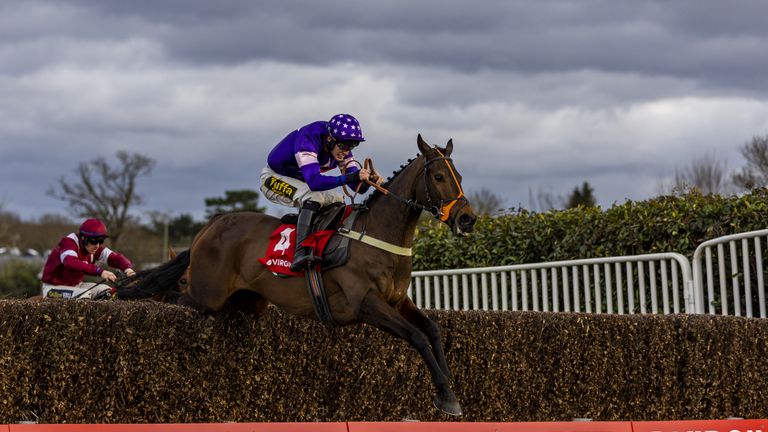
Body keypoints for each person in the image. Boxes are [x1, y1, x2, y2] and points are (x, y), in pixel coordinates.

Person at [260, 113, 384, 272]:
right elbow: (314, 182)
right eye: (345, 146)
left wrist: (368, 181)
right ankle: (300, 253)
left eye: (352, 146)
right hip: (273, 178)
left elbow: (355, 187)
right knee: (314, 196)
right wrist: (351, 176)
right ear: (330, 139)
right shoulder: (309, 139)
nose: (347, 152)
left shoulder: (340, 145)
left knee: (338, 199)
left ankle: (315, 235)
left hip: (300, 181)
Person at [41, 218, 136, 299]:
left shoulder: (93, 249)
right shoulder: (68, 243)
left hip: (76, 286)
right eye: (94, 241)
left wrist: (128, 268)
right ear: (83, 238)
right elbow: (71, 262)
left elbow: (115, 257)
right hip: (53, 289)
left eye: (100, 241)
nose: (97, 245)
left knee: (109, 292)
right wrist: (100, 271)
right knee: (84, 296)